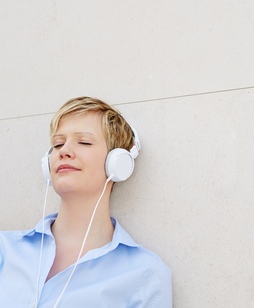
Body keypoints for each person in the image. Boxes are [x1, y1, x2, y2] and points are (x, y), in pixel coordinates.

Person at [0, 96, 172, 307]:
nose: (64, 151)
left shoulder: (145, 273)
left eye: (84, 142)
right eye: (58, 143)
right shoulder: (4, 249)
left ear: (116, 163)